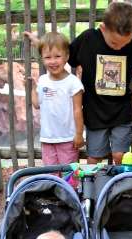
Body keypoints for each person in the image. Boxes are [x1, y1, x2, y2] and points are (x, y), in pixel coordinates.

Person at [25, 1, 132, 165]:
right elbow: (60, 51)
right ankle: (94, 190)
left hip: (121, 114)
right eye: (114, 43)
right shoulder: (88, 39)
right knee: (94, 158)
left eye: (124, 43)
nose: (119, 47)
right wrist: (38, 42)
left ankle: (117, 188)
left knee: (121, 155)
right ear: (103, 28)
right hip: (95, 114)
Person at [30, 32, 84, 166]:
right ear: (42, 59)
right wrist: (32, 88)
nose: (52, 61)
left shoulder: (73, 83)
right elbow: (37, 104)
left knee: (69, 175)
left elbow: (78, 110)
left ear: (66, 57)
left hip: (68, 139)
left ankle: (70, 188)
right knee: (51, 175)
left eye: (57, 56)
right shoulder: (42, 80)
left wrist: (79, 134)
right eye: (47, 57)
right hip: (47, 139)